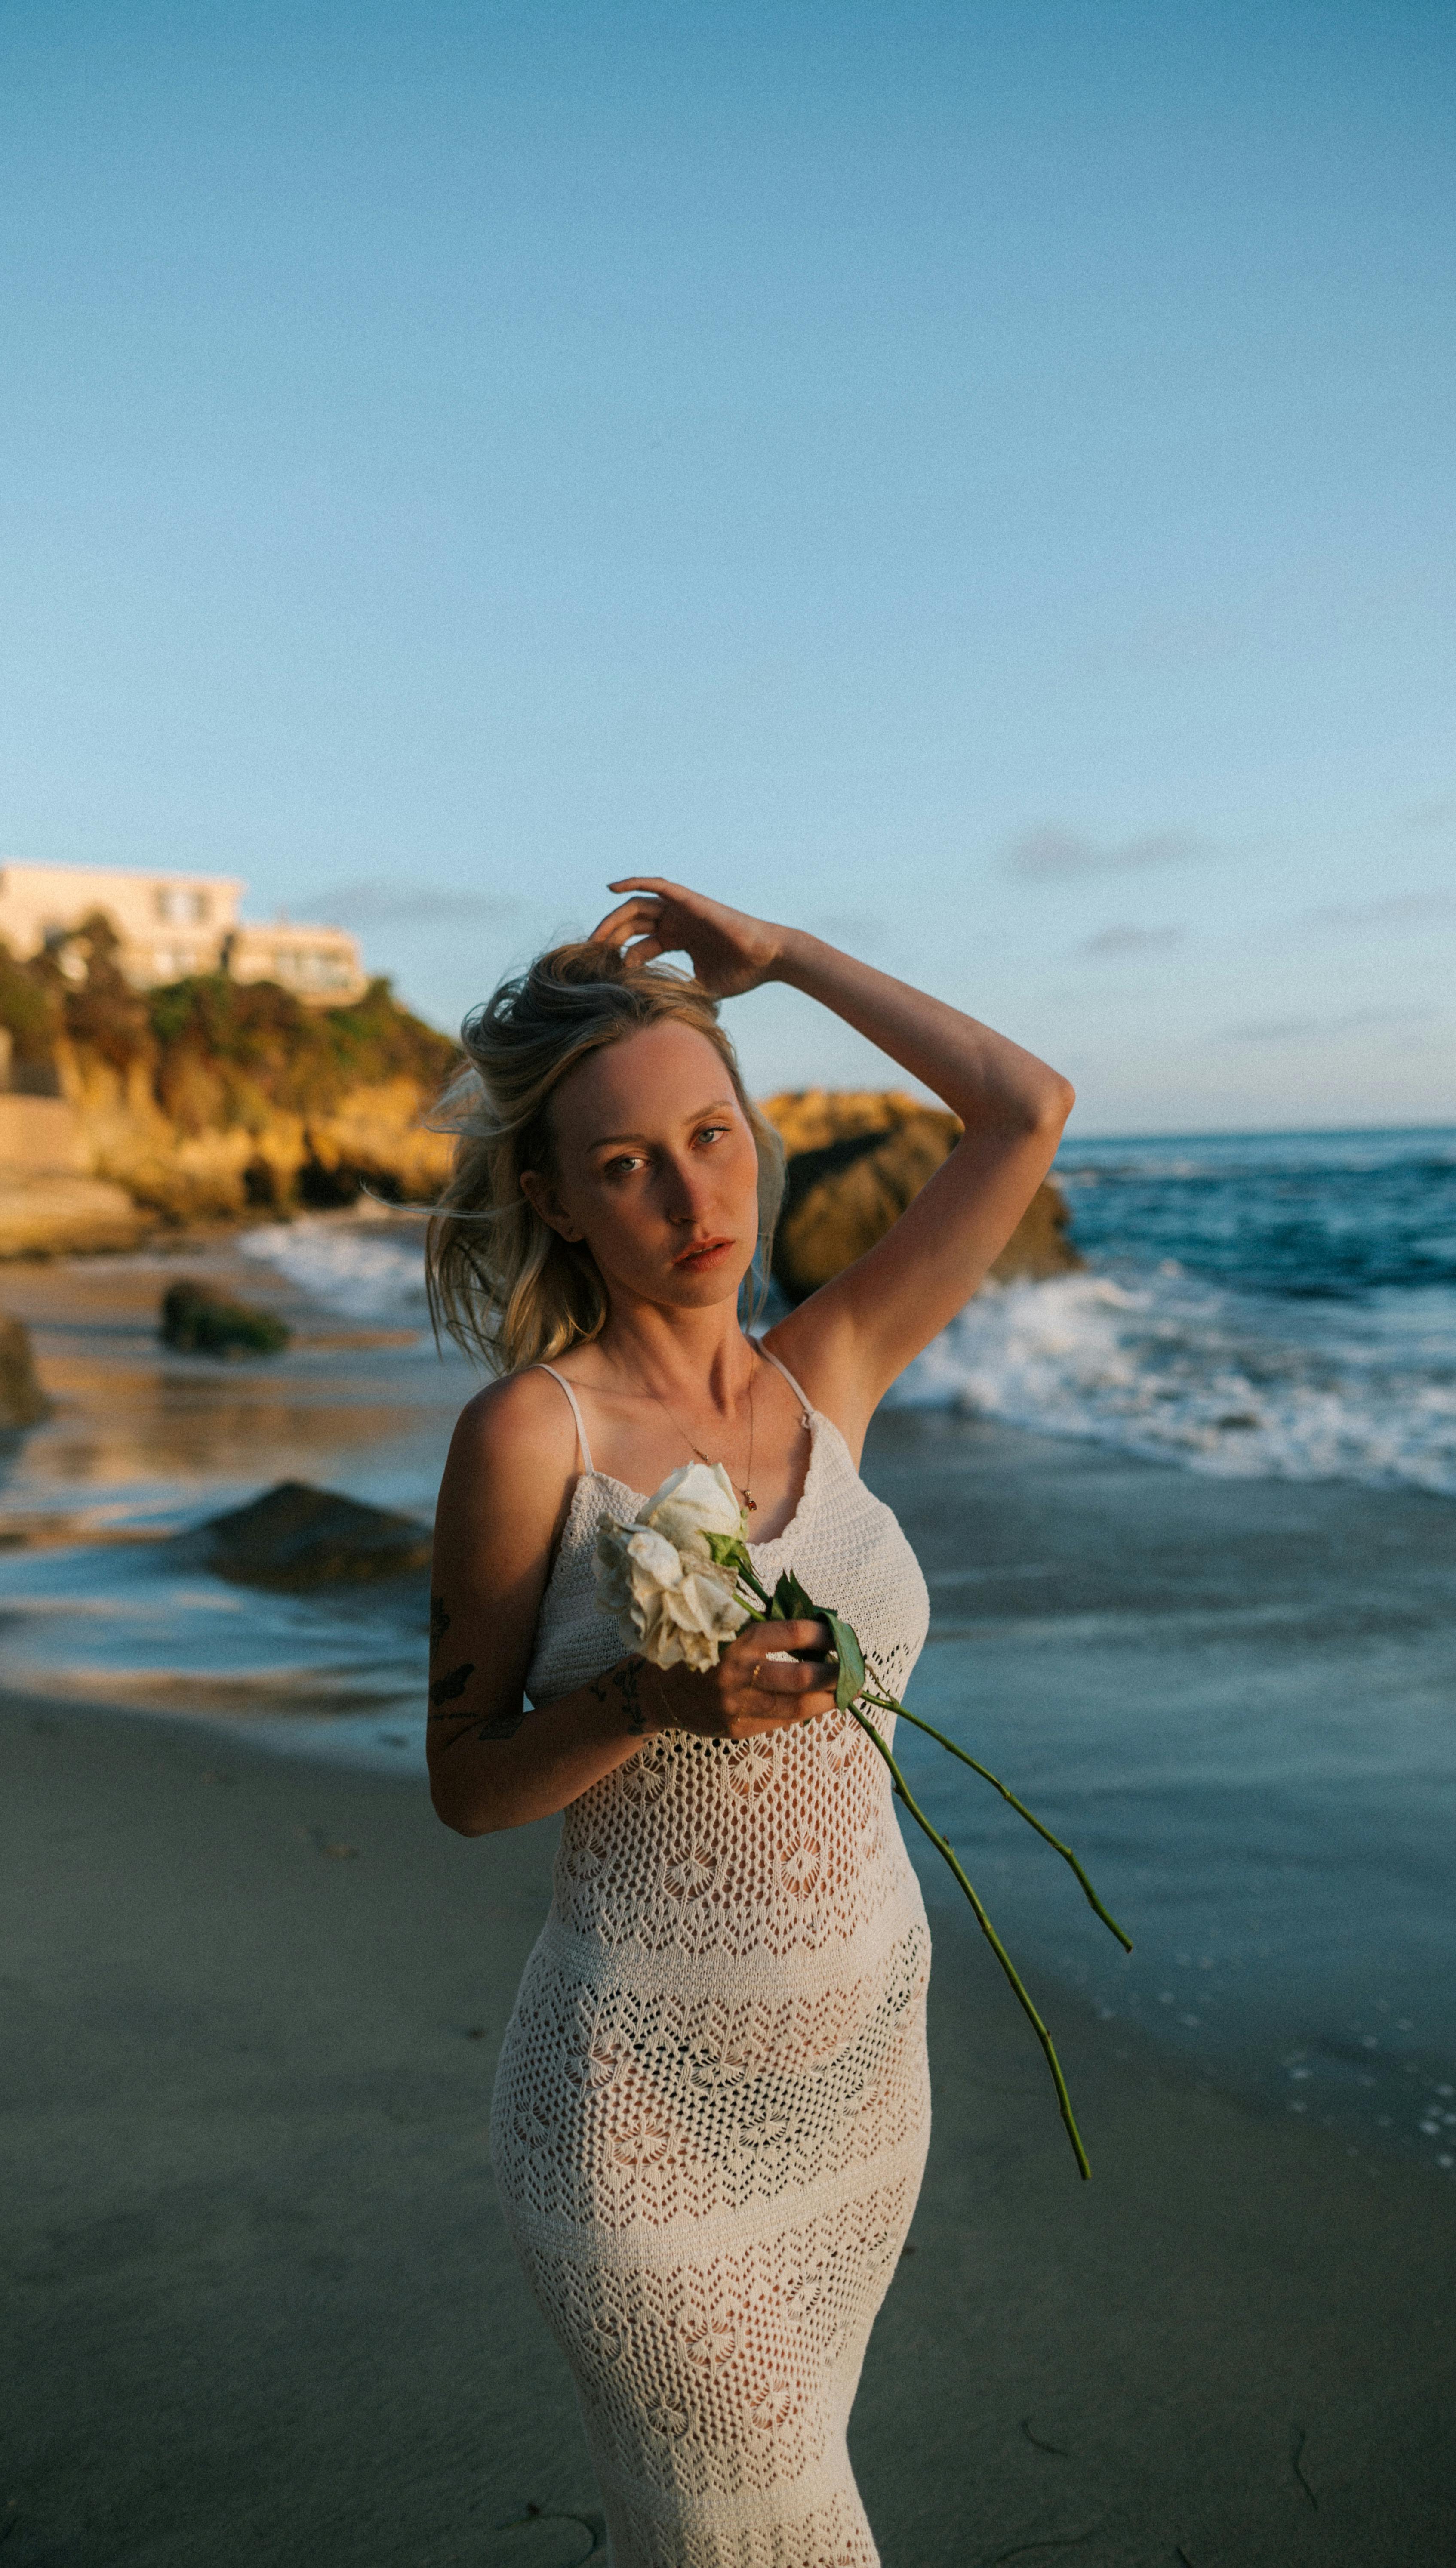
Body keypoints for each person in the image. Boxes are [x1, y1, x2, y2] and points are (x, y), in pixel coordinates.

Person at [425, 879, 1073, 2566]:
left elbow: (1025, 1110)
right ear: (557, 1203)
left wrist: (780, 962)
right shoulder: (528, 1438)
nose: (686, 1192)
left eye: (712, 1136)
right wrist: (651, 1699)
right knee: (780, 2533)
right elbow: (467, 1786)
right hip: (634, 2116)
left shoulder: (826, 1371)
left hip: (860, 2090)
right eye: (625, 1163)